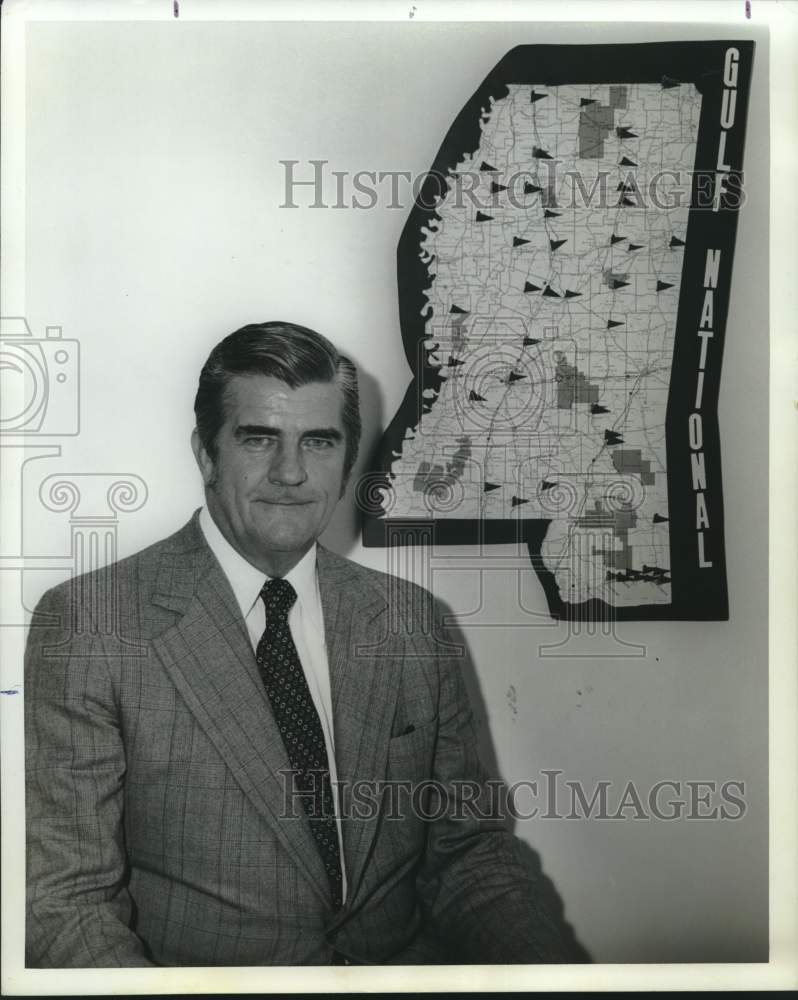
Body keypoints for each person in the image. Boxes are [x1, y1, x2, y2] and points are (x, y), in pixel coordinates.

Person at [25, 321, 584, 967]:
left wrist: (554, 975)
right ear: (206, 453)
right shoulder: (91, 623)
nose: (290, 472)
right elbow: (65, 902)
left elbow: (469, 854)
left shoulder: (413, 623)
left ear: (348, 464)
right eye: (259, 438)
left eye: (318, 442)